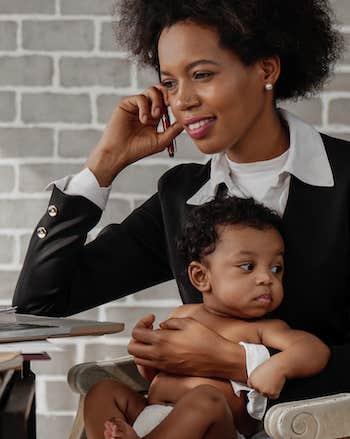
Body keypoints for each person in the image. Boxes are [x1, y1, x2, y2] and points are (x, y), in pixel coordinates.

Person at [12, 0, 349, 429]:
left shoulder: (345, 181)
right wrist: (103, 165)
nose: (183, 100)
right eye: (169, 83)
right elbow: (39, 304)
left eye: (202, 75)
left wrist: (236, 359)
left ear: (266, 70)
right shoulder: (182, 196)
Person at [91, 196, 330, 439]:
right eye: (248, 266)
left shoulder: (264, 329)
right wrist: (148, 360)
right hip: (153, 418)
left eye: (276, 268)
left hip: (215, 429)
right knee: (103, 391)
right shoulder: (183, 315)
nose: (266, 278)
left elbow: (313, 350)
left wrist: (280, 367)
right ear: (201, 276)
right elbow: (161, 376)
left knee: (206, 399)